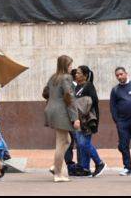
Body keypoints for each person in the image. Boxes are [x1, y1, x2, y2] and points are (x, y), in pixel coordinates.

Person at [44, 55, 81, 183]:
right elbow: (69, 97)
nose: (72, 67)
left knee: (66, 140)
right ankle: (58, 174)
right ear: (65, 65)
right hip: (61, 111)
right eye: (70, 65)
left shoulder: (53, 77)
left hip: (51, 110)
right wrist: (75, 118)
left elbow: (45, 93)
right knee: (62, 142)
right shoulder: (67, 77)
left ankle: (55, 166)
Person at [74, 65, 106, 178]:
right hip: (78, 119)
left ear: (85, 75)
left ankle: (99, 163)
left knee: (84, 143)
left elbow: (94, 101)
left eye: (78, 73)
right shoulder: (77, 87)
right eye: (76, 73)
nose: (76, 75)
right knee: (81, 144)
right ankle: (86, 169)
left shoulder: (88, 86)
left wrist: (83, 106)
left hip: (88, 120)